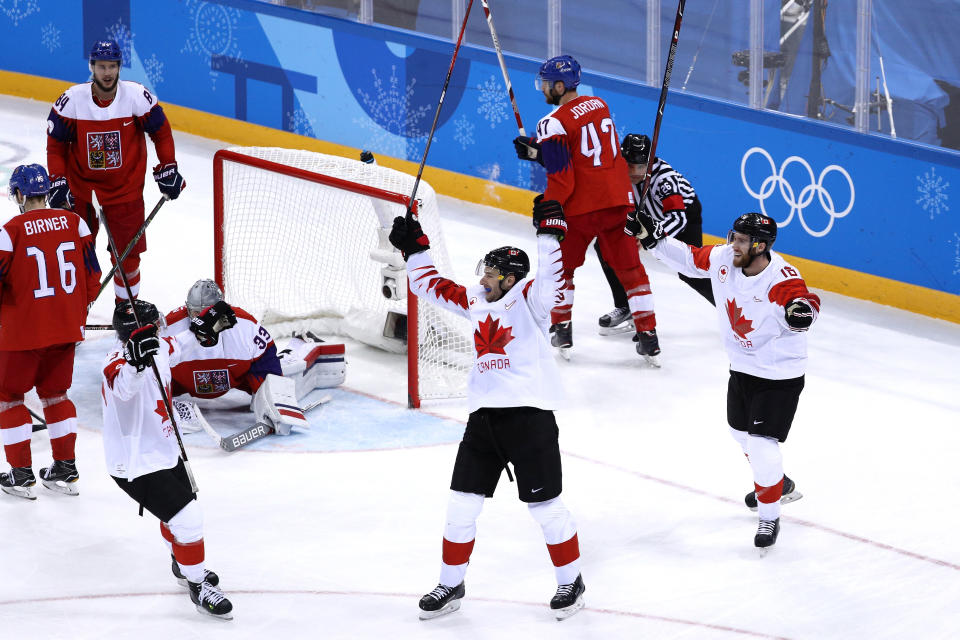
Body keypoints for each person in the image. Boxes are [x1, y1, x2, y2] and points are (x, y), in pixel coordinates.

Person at [389, 197, 586, 621]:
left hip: (529, 419)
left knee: (546, 508)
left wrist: (549, 234)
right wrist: (415, 249)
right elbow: (429, 285)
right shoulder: (477, 300)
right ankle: (450, 583)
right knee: (461, 505)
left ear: (511, 278)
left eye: (492, 272)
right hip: (483, 423)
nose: (484, 277)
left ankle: (571, 580)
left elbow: (552, 280)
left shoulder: (532, 301)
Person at [629, 210, 817, 552]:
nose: (734, 244)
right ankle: (779, 483)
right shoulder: (723, 258)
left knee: (762, 442)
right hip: (742, 365)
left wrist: (802, 311)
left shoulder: (779, 277)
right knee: (739, 431)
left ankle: (769, 514)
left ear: (761, 246)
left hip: (778, 373)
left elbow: (803, 300)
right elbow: (688, 258)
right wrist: (652, 239)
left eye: (743, 240)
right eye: (734, 236)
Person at [513, 55, 660, 364]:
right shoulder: (599, 104)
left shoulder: (550, 123)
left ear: (559, 85)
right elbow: (590, 154)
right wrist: (540, 152)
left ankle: (562, 328)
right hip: (618, 200)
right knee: (631, 270)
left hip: (581, 209)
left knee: (561, 270)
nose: (541, 89)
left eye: (544, 83)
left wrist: (548, 206)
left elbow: (563, 177)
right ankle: (648, 335)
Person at [101, 299, 233, 619]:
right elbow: (124, 388)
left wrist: (203, 328)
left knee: (177, 515)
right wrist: (135, 362)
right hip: (136, 465)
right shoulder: (116, 364)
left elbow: (180, 341)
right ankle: (198, 585)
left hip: (166, 451)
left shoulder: (159, 347)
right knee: (188, 518)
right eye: (155, 325)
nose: (161, 328)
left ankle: (181, 561)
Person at [46, 39, 186, 305]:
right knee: (74, 251)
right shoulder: (72, 100)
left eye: (112, 66)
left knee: (128, 257)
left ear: (119, 67)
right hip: (81, 191)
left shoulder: (135, 96)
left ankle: (125, 311)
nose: (107, 72)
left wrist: (168, 166)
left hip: (125, 192)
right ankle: (74, 309)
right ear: (92, 67)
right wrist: (57, 179)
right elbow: (55, 147)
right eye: (101, 66)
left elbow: (161, 132)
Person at [0, 164, 100, 499]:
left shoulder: (10, 231)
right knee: (57, 396)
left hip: (20, 334)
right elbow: (92, 275)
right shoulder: (77, 222)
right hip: (66, 330)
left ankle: (22, 475)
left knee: (8, 399)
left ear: (19, 194)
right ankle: (66, 471)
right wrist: (77, 312)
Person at [164, 279, 344, 423]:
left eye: (207, 312)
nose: (201, 318)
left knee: (282, 389)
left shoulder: (244, 325)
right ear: (187, 310)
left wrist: (275, 398)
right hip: (182, 382)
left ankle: (300, 345)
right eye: (195, 313)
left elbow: (266, 354)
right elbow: (151, 366)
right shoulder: (170, 326)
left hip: (239, 377)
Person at [598, 133, 714, 336]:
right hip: (644, 217)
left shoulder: (664, 178)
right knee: (605, 245)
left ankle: (735, 312)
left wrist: (650, 237)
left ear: (650, 163)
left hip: (683, 217)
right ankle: (626, 307)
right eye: (630, 165)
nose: (635, 172)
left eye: (641, 166)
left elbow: (678, 218)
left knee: (692, 273)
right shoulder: (613, 169)